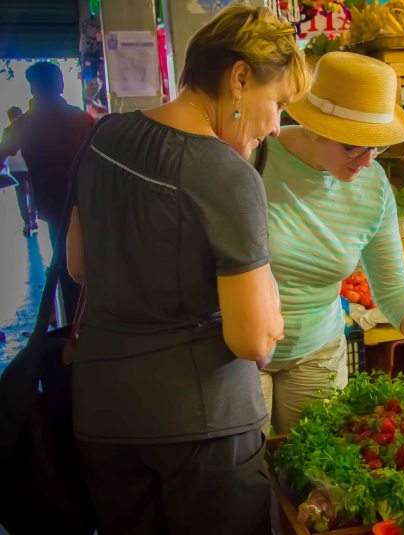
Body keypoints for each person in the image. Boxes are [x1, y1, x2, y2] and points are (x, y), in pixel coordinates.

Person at [65, 6, 308, 534]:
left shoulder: (105, 134)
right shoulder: (224, 173)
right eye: (279, 104)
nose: (275, 125)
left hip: (103, 415)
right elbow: (256, 341)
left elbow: (78, 265)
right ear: (240, 78)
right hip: (202, 431)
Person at [260, 52, 404, 434]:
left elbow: (393, 287)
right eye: (352, 147)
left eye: (375, 147)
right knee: (246, 477)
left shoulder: (373, 186)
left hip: (317, 355)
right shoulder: (255, 160)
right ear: (314, 126)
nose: (366, 162)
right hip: (241, 358)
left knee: (310, 475)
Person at [0, 62, 95, 321]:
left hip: (56, 210)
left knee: (66, 268)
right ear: (61, 85)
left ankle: (74, 332)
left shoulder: (22, 126)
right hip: (92, 205)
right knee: (94, 267)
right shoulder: (83, 119)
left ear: (33, 89)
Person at [3, 106, 37, 236]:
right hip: (29, 165)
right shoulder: (27, 129)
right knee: (33, 192)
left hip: (15, 167)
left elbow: (4, 150)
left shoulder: (7, 131)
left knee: (21, 195)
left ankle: (27, 221)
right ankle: (33, 218)